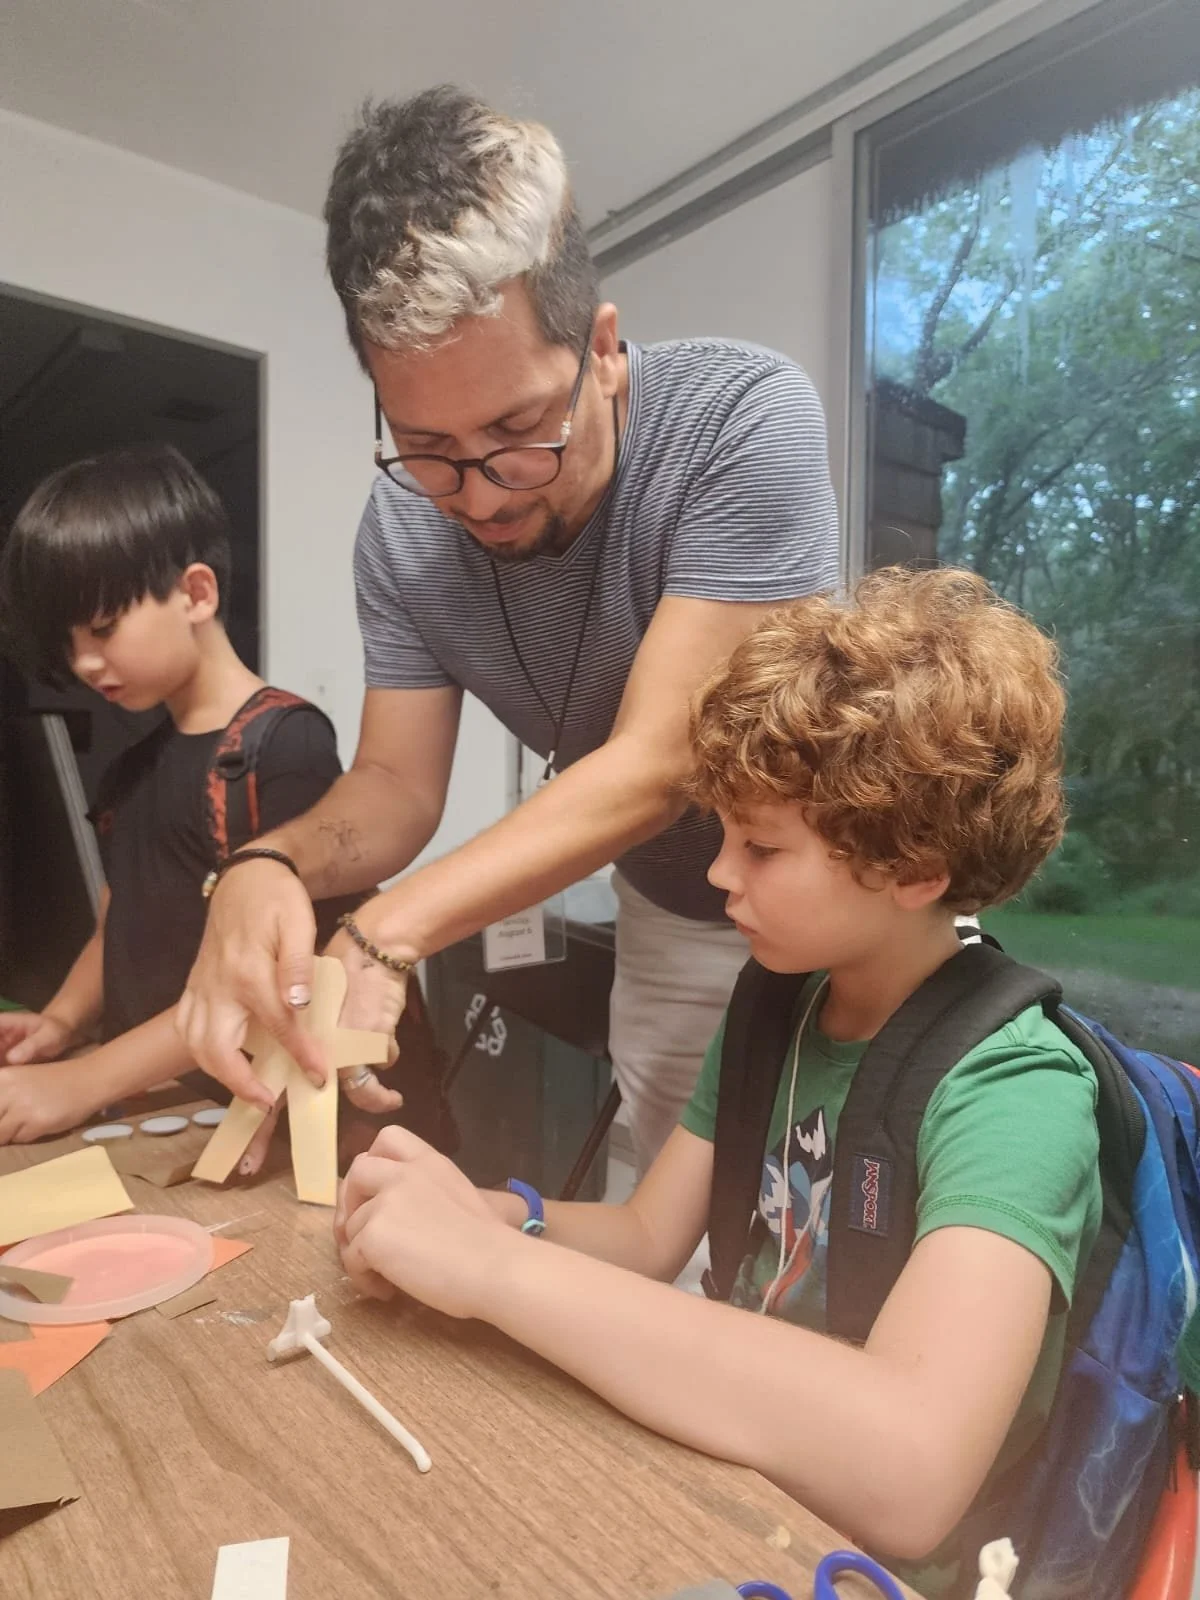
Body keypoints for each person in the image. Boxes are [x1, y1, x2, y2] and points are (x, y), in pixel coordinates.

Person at [332, 567, 1102, 1599]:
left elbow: (912, 1469)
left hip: (872, 1566)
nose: (718, 875)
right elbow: (647, 1236)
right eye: (726, 835)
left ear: (916, 866)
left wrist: (492, 1269)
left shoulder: (1015, 1088)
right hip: (729, 1481)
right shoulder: (779, 1004)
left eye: (763, 848)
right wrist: (489, 1214)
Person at [177, 85, 840, 1173]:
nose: (480, 495)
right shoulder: (401, 531)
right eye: (428, 446)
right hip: (674, 910)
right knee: (672, 1208)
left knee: (844, 1220)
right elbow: (395, 786)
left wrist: (385, 930)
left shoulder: (739, 419)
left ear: (604, 351)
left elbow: (662, 758)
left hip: (847, 904)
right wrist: (269, 863)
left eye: (519, 429)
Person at [0, 444, 402, 1144]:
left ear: (195, 594)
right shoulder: (130, 771)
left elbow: (287, 974)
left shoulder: (282, 744)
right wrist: (60, 1022)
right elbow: (117, 922)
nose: (84, 661)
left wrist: (84, 1081)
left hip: (268, 1121)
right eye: (69, 642)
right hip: (164, 1110)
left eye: (102, 628)